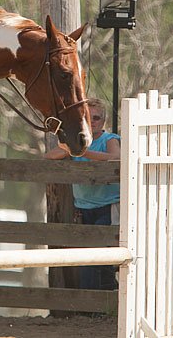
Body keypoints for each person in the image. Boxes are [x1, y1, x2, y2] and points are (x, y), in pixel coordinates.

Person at [45, 98, 120, 290]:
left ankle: (98, 303)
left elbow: (116, 158)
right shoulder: (76, 142)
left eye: (96, 118)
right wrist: (71, 148)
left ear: (103, 121)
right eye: (89, 117)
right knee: (88, 256)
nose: (93, 121)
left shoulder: (109, 139)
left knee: (99, 258)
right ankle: (96, 304)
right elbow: (50, 156)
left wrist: (83, 152)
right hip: (83, 206)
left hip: (106, 206)